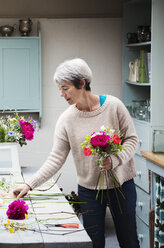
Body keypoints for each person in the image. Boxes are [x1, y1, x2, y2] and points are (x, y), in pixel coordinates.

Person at [12, 58, 139, 248]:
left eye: (65, 88)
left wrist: (115, 159)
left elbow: (132, 140)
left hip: (121, 185)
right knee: (93, 243)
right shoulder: (66, 119)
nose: (61, 94)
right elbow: (56, 158)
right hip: (89, 191)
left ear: (81, 83)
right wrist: (29, 184)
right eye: (60, 89)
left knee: (129, 240)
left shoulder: (114, 106)